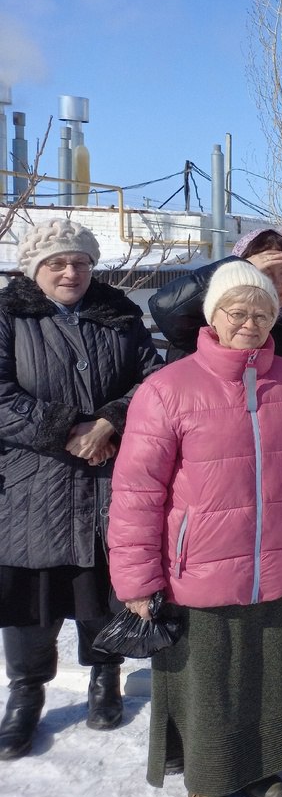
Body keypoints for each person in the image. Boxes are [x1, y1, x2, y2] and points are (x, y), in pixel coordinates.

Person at [108, 261, 282, 797]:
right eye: (238, 312)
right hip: (197, 565)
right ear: (213, 317)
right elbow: (136, 491)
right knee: (207, 678)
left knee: (267, 669)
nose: (251, 323)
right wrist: (136, 579)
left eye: (263, 312)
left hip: (277, 558)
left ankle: (262, 767)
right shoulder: (168, 388)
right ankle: (207, 781)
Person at [0, 219, 163, 760]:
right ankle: (25, 695)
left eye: (80, 262)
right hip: (32, 483)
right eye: (57, 263)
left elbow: (152, 380)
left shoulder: (117, 314)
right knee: (32, 599)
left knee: (99, 587)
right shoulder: (9, 315)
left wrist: (110, 421)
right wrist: (66, 429)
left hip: (105, 475)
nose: (70, 272)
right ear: (35, 269)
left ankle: (105, 678)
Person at [149, 228, 282, 364]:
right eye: (265, 272)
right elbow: (164, 307)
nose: (276, 284)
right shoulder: (205, 324)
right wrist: (233, 267)